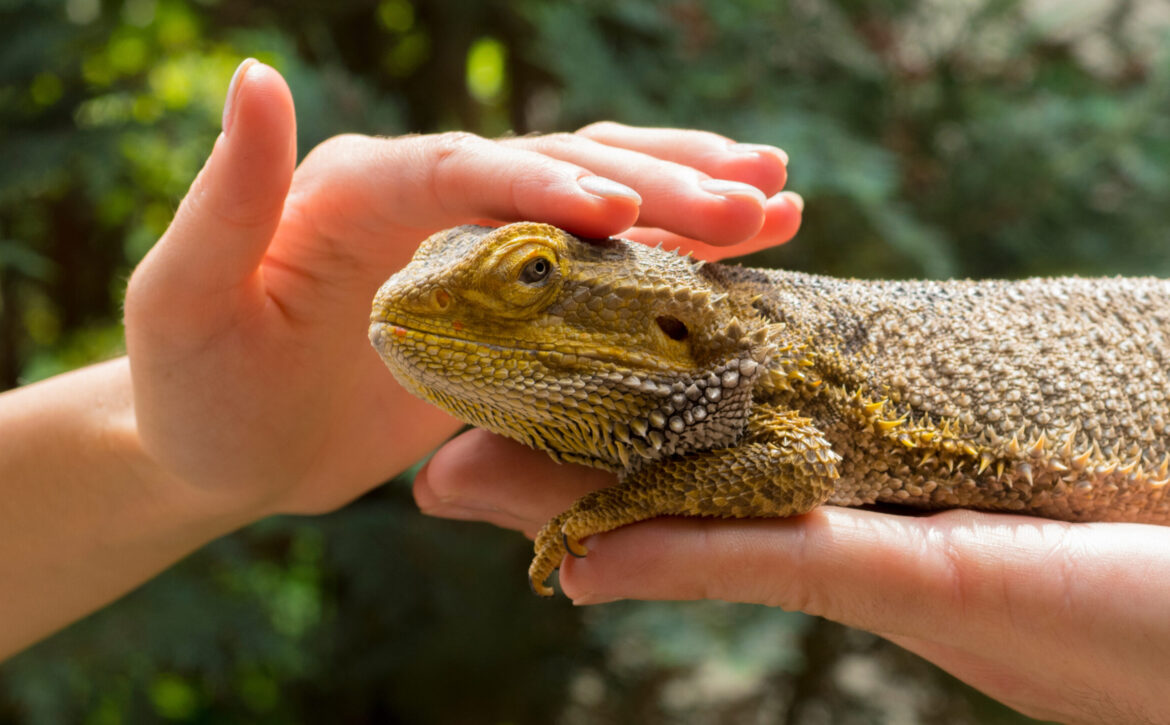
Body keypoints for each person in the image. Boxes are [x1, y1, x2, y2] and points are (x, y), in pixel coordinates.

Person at [1, 60, 1166, 723]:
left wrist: (617, 504)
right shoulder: (702, 363)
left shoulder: (752, 367)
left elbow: (803, 462)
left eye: (527, 280)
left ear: (667, 321)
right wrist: (165, 449)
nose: (411, 310)